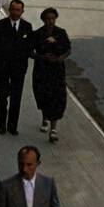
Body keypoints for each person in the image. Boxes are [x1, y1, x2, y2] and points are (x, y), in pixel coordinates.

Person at [0, 0, 33, 135]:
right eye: (13, 9)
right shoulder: (0, 25)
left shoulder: (27, 27)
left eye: (18, 10)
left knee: (16, 98)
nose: (15, 13)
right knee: (1, 97)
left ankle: (12, 125)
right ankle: (2, 123)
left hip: (18, 69)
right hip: (2, 67)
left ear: (22, 12)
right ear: (9, 10)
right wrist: (2, 53)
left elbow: (30, 46)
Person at [30, 8, 71, 143]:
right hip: (42, 70)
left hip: (57, 70)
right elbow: (30, 52)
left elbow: (68, 49)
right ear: (43, 19)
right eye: (48, 18)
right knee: (43, 95)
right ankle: (44, 117)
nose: (50, 21)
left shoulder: (61, 33)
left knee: (57, 96)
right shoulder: (37, 34)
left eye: (53, 18)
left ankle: (53, 128)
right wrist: (42, 57)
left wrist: (60, 58)